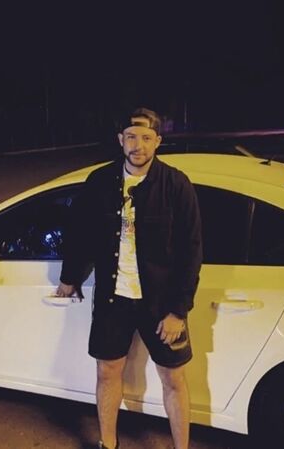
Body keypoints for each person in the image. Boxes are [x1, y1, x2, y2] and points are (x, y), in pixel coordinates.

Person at [57, 107, 202, 449]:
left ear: (158, 141)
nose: (139, 145)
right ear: (120, 139)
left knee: (173, 378)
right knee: (107, 373)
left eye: (147, 138)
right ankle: (108, 444)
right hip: (114, 299)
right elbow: (80, 233)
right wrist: (69, 278)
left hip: (162, 304)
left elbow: (192, 250)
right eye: (132, 137)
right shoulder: (100, 182)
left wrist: (178, 310)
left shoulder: (176, 184)